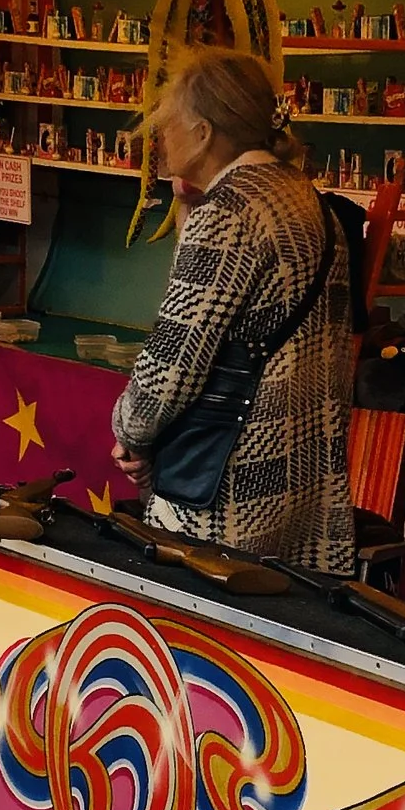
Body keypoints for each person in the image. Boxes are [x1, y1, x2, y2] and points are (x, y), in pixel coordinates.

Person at [112, 48, 358, 573]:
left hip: (226, 488)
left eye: (167, 124)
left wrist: (129, 431)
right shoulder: (307, 198)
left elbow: (173, 360)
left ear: (202, 134)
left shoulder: (227, 212)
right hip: (306, 483)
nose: (160, 139)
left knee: (199, 640)